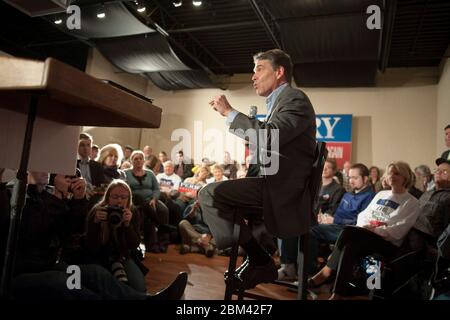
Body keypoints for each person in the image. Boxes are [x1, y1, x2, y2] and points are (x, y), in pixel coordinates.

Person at [199, 49, 316, 289]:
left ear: (279, 72)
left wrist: (229, 113)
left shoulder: (295, 98)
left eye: (259, 69)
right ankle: (256, 256)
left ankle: (258, 258)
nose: (253, 77)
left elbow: (270, 137)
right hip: (274, 183)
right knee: (216, 198)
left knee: (209, 194)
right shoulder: (279, 103)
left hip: (284, 189)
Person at [309, 161, 420, 299]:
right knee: (349, 246)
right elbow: (363, 215)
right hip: (366, 235)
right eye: (390, 172)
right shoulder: (381, 194)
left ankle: (326, 271)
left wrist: (375, 230)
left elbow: (399, 231)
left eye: (396, 173)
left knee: (349, 232)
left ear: (406, 177)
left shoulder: (412, 202)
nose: (392, 176)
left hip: (388, 243)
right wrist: (367, 228)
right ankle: (337, 294)